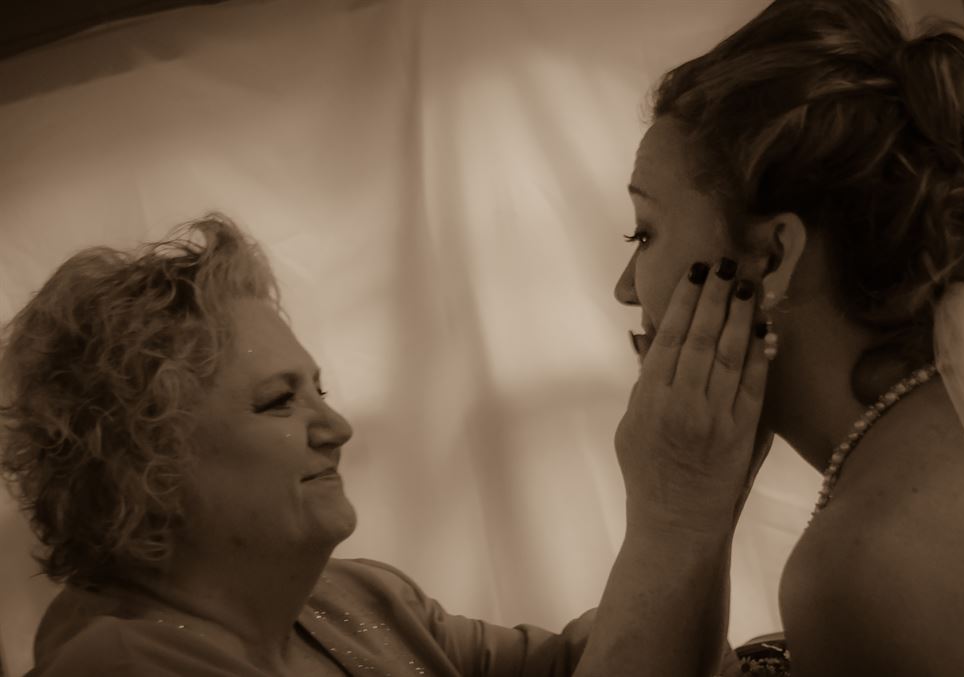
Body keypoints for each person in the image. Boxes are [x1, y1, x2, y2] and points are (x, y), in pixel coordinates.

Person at [1, 214, 769, 676]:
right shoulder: (119, 666)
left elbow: (584, 667)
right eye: (279, 401)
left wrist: (709, 481)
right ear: (143, 464)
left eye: (319, 388)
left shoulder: (355, 598)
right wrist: (677, 504)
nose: (337, 428)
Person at [617, 0, 964, 675]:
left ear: (773, 256)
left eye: (643, 233)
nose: (625, 289)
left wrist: (669, 518)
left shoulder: (858, 567)